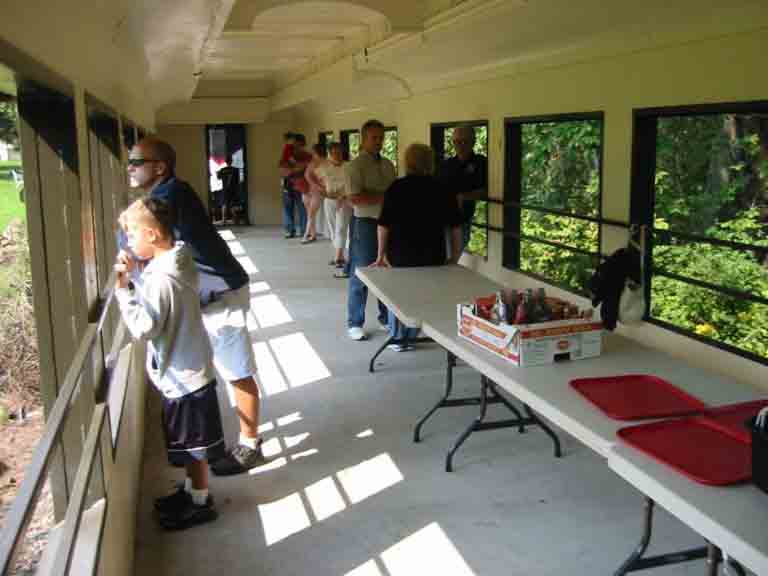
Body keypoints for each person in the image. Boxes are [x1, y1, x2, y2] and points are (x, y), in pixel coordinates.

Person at [126, 137, 267, 476]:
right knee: (206, 369)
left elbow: (139, 239)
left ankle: (250, 445)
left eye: (135, 161)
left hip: (221, 291)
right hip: (202, 293)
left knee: (235, 368)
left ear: (159, 167)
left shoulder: (168, 196)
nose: (129, 167)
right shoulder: (168, 192)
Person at [115, 198, 223, 530]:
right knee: (189, 444)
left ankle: (201, 501)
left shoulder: (162, 277)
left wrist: (123, 290)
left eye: (132, 237)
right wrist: (137, 276)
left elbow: (145, 327)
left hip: (184, 374)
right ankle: (193, 491)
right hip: (188, 365)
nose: (129, 244)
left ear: (151, 234)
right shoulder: (178, 258)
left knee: (193, 447)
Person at [374, 143, 463, 351]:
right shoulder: (442, 188)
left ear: (407, 163)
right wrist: (455, 256)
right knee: (426, 294)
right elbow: (456, 227)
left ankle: (399, 338)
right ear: (430, 163)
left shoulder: (396, 187)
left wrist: (380, 254)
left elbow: (383, 225)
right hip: (433, 254)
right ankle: (415, 333)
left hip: (401, 254)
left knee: (399, 294)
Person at [344, 120, 397, 341]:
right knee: (362, 271)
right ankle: (355, 322)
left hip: (388, 223)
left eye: (381, 138)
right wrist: (382, 196)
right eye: (374, 138)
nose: (378, 142)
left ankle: (386, 318)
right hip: (365, 224)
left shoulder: (388, 165)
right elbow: (355, 197)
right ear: (363, 139)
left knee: (386, 270)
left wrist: (375, 194)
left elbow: (393, 193)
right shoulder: (355, 166)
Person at [438, 125, 488, 253]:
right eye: (456, 142)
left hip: (462, 219)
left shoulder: (481, 162)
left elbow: (486, 190)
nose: (459, 145)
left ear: (473, 142)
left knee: (454, 255)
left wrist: (464, 196)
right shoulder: (447, 164)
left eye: (463, 141)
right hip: (442, 218)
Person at [316, 142, 351, 270]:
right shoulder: (324, 167)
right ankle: (338, 255)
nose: (338, 155)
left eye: (340, 152)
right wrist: (322, 190)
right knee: (332, 228)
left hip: (345, 201)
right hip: (330, 200)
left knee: (341, 227)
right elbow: (314, 178)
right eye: (335, 153)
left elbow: (352, 184)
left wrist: (344, 196)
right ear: (330, 153)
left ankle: (339, 256)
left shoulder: (349, 166)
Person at [279, 133, 310, 239]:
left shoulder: (306, 155)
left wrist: (292, 169)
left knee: (302, 208)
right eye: (297, 143)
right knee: (289, 208)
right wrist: (296, 168)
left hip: (300, 185)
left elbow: (308, 167)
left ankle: (303, 230)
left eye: (300, 144)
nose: (298, 146)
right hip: (289, 184)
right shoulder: (287, 153)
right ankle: (291, 230)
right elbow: (283, 170)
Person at [302, 143, 328, 244]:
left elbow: (307, 176)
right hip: (310, 190)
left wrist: (319, 186)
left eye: (313, 151)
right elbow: (307, 175)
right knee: (310, 213)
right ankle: (312, 235)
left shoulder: (323, 162)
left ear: (315, 151)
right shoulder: (314, 162)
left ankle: (306, 235)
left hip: (315, 191)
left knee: (311, 213)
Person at [215, 154, 238, 224]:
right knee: (232, 205)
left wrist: (217, 173)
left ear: (226, 162)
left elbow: (218, 178)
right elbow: (237, 181)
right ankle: (235, 220)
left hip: (225, 189)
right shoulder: (235, 170)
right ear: (231, 161)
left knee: (224, 204)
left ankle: (223, 220)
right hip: (233, 189)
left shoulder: (222, 170)